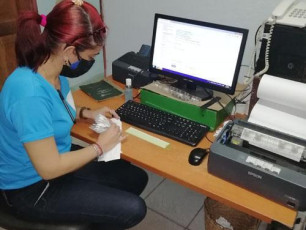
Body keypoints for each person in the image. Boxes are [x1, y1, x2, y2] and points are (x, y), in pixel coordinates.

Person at [0, 0, 148, 229]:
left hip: (57, 159)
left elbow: (54, 110)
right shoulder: (28, 93)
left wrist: (87, 112)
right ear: (69, 51)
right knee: (133, 209)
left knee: (136, 178)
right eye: (89, 58)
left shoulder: (54, 74)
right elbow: (49, 168)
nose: (89, 63)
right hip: (30, 188)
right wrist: (99, 147)